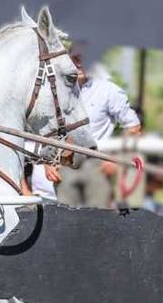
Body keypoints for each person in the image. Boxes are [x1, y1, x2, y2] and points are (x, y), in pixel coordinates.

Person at [54, 52, 141, 207]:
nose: (79, 63)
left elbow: (133, 127)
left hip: (97, 164)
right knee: (64, 218)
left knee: (98, 218)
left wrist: (118, 160)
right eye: (75, 58)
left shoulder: (108, 90)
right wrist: (48, 163)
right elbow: (46, 127)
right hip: (65, 164)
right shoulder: (55, 89)